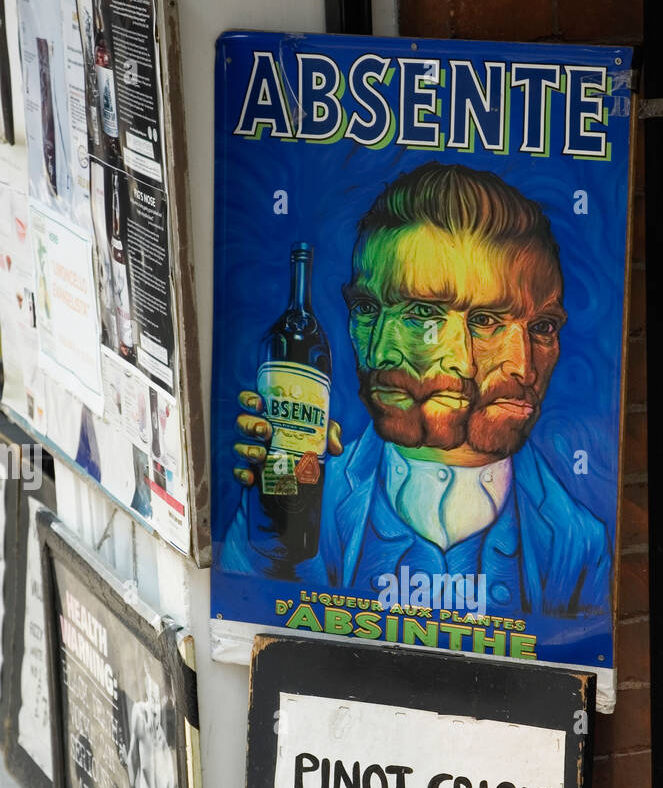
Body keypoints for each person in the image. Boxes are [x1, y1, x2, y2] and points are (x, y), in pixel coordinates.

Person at [223, 162, 611, 620]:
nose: (524, 367)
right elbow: (249, 617)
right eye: (367, 309)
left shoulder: (578, 542)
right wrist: (272, 535)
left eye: (543, 327)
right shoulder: (309, 502)